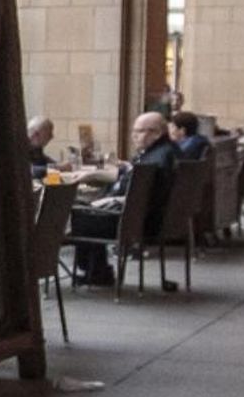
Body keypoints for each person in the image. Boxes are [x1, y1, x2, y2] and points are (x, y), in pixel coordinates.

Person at [68, 112, 176, 287]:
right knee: (87, 212)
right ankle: (98, 270)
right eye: (134, 131)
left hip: (134, 221)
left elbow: (137, 193)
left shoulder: (155, 158)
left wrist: (102, 201)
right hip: (146, 219)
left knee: (77, 217)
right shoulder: (164, 152)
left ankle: (95, 271)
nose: (134, 136)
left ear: (156, 133)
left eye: (139, 131)